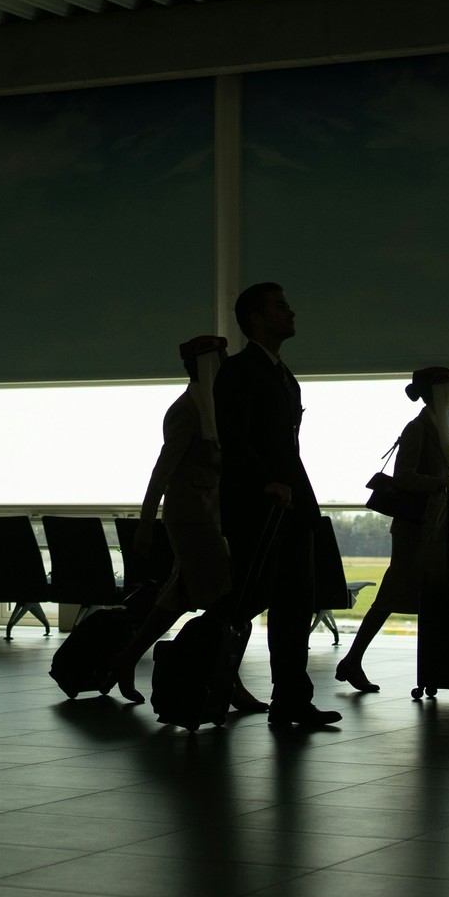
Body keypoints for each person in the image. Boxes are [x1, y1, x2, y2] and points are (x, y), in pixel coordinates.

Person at [333, 366, 449, 695]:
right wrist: (440, 482)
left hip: (437, 530)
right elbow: (404, 476)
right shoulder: (418, 430)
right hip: (417, 533)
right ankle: (353, 660)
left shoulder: (437, 428)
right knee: (396, 598)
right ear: (438, 392)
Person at [110, 336, 266, 713]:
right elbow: (162, 469)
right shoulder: (187, 411)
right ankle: (228, 683)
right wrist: (146, 520)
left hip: (208, 515)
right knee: (225, 600)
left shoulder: (215, 408)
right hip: (190, 518)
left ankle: (124, 660)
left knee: (177, 599)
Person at [213, 282, 340, 727]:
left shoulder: (283, 375)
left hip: (291, 501)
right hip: (259, 505)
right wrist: (267, 482)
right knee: (256, 594)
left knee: (294, 603)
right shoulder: (239, 371)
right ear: (255, 320)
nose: (292, 312)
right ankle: (211, 673)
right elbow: (235, 438)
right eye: (280, 307)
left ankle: (291, 698)